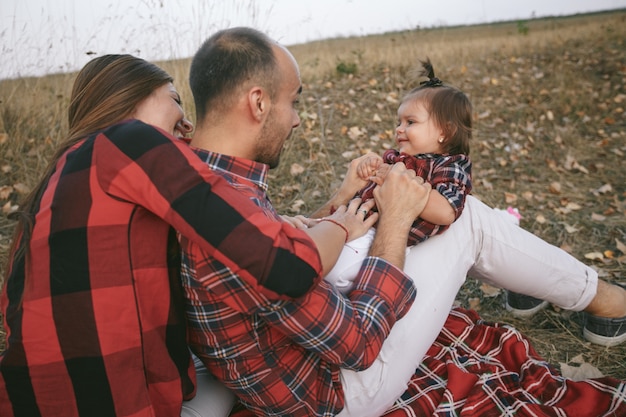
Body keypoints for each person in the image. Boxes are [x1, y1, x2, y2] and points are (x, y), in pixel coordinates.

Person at [181, 27, 626, 417]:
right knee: (466, 215)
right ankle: (603, 301)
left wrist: (339, 201)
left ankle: (550, 286)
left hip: (299, 358)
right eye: (292, 102)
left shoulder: (208, 185)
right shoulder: (228, 219)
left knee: (451, 212)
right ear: (258, 102)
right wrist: (394, 219)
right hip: (335, 392)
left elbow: (286, 244)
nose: (297, 119)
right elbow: (358, 344)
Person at [0, 54, 425, 417]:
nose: (187, 124)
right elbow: (286, 265)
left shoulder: (51, 193)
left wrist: (326, 208)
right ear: (128, 100)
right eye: (174, 100)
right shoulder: (129, 141)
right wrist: (344, 225)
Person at [324, 58, 473, 293]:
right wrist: (370, 169)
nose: (399, 129)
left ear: (445, 132)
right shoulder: (395, 157)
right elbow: (371, 181)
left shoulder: (449, 165)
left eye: (410, 122)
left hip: (389, 239)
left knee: (336, 271)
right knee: (322, 245)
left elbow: (446, 211)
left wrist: (394, 178)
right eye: (399, 122)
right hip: (358, 221)